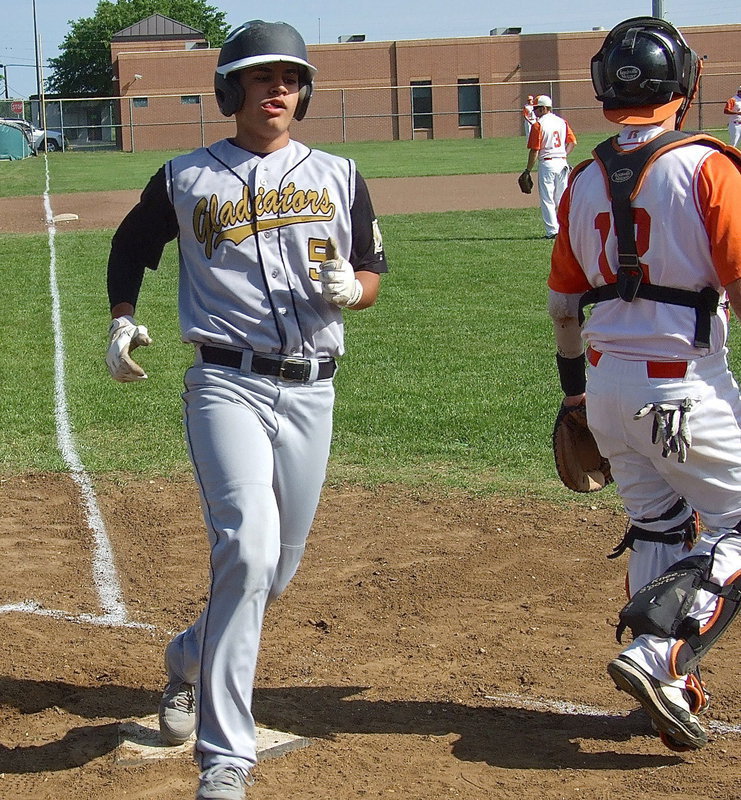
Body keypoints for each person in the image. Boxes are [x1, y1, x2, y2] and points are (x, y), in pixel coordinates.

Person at [105, 19, 387, 800]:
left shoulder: (338, 173)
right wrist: (122, 317)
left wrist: (352, 293)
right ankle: (224, 757)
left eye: (290, 78)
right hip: (223, 383)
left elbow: (372, 270)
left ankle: (187, 658)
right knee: (248, 549)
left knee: (278, 569)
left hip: (312, 388)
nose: (278, 91)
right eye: (262, 78)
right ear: (231, 90)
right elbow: (130, 247)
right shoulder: (185, 176)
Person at [548, 16, 741, 753]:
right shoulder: (708, 166)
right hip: (682, 385)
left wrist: (573, 399)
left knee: (660, 525)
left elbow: (563, 307)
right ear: (685, 86)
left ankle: (666, 679)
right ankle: (658, 654)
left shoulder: (585, 178)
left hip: (603, 387)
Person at [523, 94, 576, 239]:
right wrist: (563, 155)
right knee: (562, 198)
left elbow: (535, 149)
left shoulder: (538, 125)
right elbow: (572, 142)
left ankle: (552, 231)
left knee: (547, 198)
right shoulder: (562, 122)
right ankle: (567, 229)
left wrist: (528, 170)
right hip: (562, 162)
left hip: (547, 163)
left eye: (537, 108)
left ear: (545, 108)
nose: (535, 111)